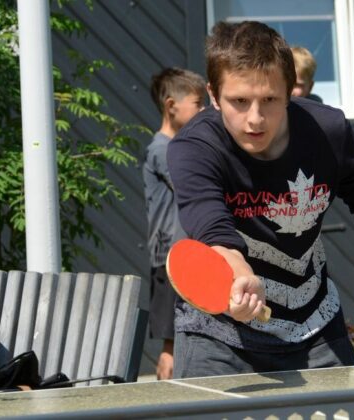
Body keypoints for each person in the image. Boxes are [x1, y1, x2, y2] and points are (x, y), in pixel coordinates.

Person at [167, 21, 354, 379]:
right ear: (214, 95)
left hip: (316, 326)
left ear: (289, 92)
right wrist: (242, 279)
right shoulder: (194, 149)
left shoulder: (328, 132)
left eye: (270, 100)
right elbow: (213, 231)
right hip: (220, 334)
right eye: (239, 101)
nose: (255, 118)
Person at [144, 67, 205, 380]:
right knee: (171, 346)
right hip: (171, 256)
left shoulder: (172, 148)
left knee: (181, 339)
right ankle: (168, 397)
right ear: (171, 106)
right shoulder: (164, 150)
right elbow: (193, 186)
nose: (204, 110)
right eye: (198, 103)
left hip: (180, 254)